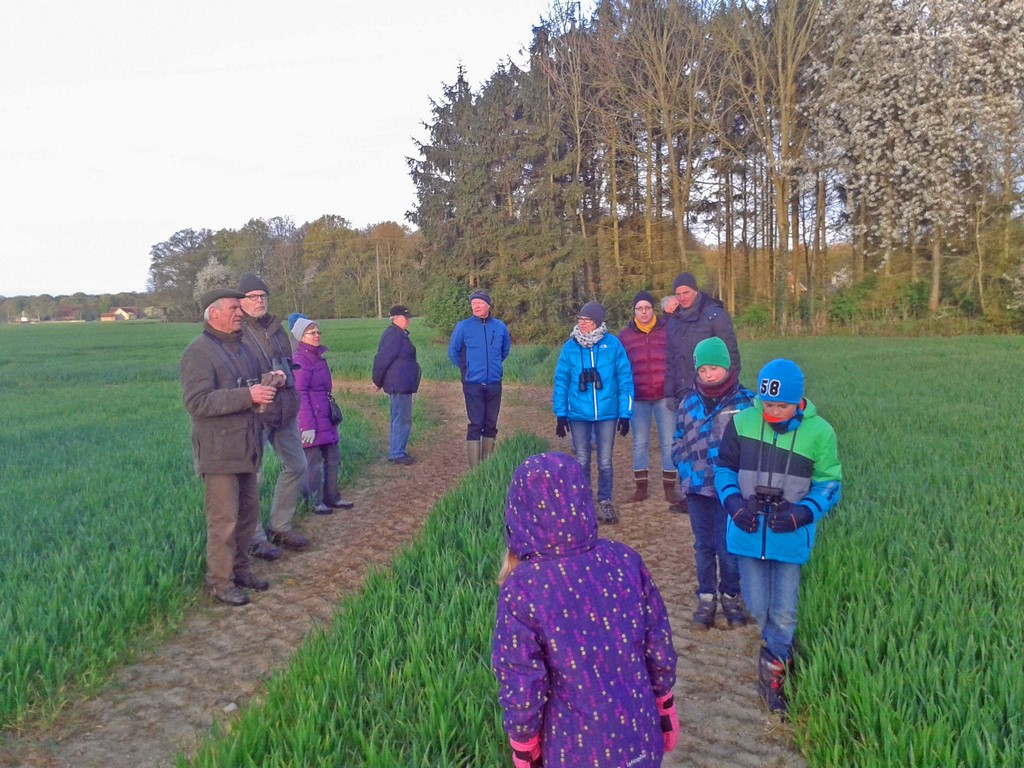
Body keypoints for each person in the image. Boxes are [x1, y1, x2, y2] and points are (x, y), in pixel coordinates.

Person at [492, 452, 679, 768]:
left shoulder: (522, 588)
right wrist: (665, 706)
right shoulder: (624, 561)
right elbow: (658, 645)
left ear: (517, 515)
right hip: (640, 736)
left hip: (572, 749)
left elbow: (523, 681)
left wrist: (523, 746)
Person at [715, 358, 842, 713]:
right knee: (756, 607)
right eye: (767, 404)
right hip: (747, 532)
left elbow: (830, 483)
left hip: (790, 538)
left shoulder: (821, 433)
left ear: (799, 400)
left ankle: (773, 680)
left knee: (784, 613)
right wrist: (734, 504)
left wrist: (804, 512)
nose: (772, 411)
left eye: (781, 406)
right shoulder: (742, 423)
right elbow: (723, 468)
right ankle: (779, 648)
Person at [179, 288, 279, 606]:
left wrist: (267, 381)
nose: (240, 312)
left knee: (248, 515)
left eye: (240, 307)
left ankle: (241, 571)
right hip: (219, 452)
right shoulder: (199, 352)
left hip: (246, 447)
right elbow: (197, 402)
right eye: (234, 307)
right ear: (215, 313)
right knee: (224, 521)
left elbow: (245, 385)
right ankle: (220, 583)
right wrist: (248, 396)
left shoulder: (242, 348)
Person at [672, 336, 755, 631]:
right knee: (703, 546)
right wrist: (684, 468)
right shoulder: (688, 402)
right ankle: (706, 598)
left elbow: (756, 446)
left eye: (714, 368)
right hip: (697, 489)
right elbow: (678, 438)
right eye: (703, 369)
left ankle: (731, 596)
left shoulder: (747, 402)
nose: (708, 375)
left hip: (730, 491)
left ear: (727, 366)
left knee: (728, 547)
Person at [237, 273, 310, 560]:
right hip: (256, 414)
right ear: (241, 301)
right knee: (252, 477)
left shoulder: (278, 329)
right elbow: (236, 373)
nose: (259, 301)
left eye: (263, 296)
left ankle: (281, 526)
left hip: (285, 410)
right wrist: (267, 379)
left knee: (297, 465)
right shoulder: (238, 332)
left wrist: (285, 377)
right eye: (253, 297)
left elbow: (290, 364)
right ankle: (254, 537)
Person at [552, 301, 634, 524]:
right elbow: (561, 381)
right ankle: (583, 501)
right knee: (581, 460)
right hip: (578, 414)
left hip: (607, 413)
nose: (582, 323)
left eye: (587, 320)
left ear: (597, 321)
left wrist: (625, 414)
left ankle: (605, 501)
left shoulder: (613, 345)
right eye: (580, 319)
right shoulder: (569, 347)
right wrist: (561, 414)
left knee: (605, 461)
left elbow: (625, 378)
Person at [617, 290, 680, 508]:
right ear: (634, 311)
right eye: (639, 308)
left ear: (652, 309)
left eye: (647, 307)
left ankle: (669, 488)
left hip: (664, 394)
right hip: (638, 396)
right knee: (640, 442)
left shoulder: (667, 329)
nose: (643, 312)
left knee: (669, 441)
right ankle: (640, 488)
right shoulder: (624, 336)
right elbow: (620, 368)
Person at [292, 317, 355, 513]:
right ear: (301, 337)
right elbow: (299, 394)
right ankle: (314, 501)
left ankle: (332, 497)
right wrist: (307, 426)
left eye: (318, 332)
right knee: (312, 462)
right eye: (312, 333)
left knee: (332, 457)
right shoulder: (300, 361)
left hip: (326, 416)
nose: (317, 335)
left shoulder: (317, 358)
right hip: (312, 419)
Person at [447, 290, 511, 467]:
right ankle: (475, 469)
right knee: (476, 424)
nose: (476, 306)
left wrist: (493, 366)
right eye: (473, 303)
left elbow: (504, 351)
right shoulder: (463, 327)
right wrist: (468, 368)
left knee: (491, 424)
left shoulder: (500, 327)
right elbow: (453, 352)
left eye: (480, 303)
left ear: (488, 305)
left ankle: (487, 465)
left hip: (494, 383)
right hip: (472, 383)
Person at [664, 272, 740, 407]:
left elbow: (731, 354)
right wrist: (670, 392)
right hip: (682, 394)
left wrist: (727, 388)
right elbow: (671, 359)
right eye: (678, 294)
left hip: (711, 393)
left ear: (695, 291)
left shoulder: (715, 316)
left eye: (686, 292)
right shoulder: (673, 321)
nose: (682, 298)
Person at [371, 305, 421, 465]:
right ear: (395, 318)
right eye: (405, 318)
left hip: (401, 383)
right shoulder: (394, 335)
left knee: (399, 418)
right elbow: (381, 359)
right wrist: (377, 381)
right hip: (398, 384)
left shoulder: (398, 334)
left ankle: (397, 450)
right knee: (402, 419)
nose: (408, 321)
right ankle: (397, 453)